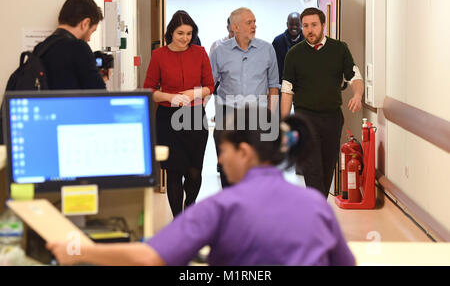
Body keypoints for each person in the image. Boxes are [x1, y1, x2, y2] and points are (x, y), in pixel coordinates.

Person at [46, 106, 355, 266]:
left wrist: (77, 250)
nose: (220, 159)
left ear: (244, 152)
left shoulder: (223, 206)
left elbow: (150, 257)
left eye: (223, 150)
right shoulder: (315, 204)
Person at [281, 7, 364, 199]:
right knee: (312, 170)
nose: (310, 30)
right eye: (306, 26)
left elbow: (355, 76)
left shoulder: (339, 49)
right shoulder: (294, 54)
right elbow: (287, 91)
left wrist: (357, 95)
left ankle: (318, 208)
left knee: (327, 169)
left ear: (324, 26)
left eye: (314, 25)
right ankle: (318, 216)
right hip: (305, 118)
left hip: (332, 118)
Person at [143, 10, 215, 218]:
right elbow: (149, 90)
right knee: (173, 172)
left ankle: (190, 209)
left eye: (189, 33)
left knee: (194, 172)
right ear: (170, 33)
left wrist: (195, 93)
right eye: (180, 33)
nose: (185, 38)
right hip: (168, 119)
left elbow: (210, 86)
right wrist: (169, 97)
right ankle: (178, 220)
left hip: (194, 118)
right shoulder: (159, 55)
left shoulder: (200, 53)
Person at [210, 7, 279, 188]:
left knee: (257, 163)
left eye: (254, 22)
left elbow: (273, 86)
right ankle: (230, 202)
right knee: (227, 163)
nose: (254, 26)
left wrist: (273, 118)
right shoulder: (219, 51)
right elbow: (210, 84)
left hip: (258, 113)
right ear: (236, 27)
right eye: (249, 22)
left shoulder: (267, 49)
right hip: (228, 112)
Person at [34, 0, 106, 89]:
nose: (89, 39)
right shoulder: (79, 48)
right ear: (85, 23)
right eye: (92, 31)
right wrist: (103, 78)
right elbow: (99, 96)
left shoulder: (40, 48)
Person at [272, 12, 304, 85]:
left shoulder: (308, 42)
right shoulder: (277, 41)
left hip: (303, 86)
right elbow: (273, 65)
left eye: (297, 24)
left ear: (301, 24)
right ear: (287, 24)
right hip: (282, 85)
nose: (294, 27)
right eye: (291, 24)